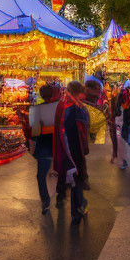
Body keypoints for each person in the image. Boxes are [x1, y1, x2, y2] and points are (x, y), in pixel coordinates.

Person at [55, 81, 90, 225]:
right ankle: (77, 210)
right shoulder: (77, 107)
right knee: (77, 178)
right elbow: (84, 128)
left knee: (69, 175)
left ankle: (63, 197)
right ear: (78, 92)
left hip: (63, 146)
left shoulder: (62, 103)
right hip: (74, 148)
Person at [28, 85, 59, 214]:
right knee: (64, 174)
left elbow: (34, 130)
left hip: (45, 144)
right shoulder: (61, 107)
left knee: (41, 176)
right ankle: (61, 196)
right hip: (59, 143)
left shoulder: (37, 109)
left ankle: (45, 201)